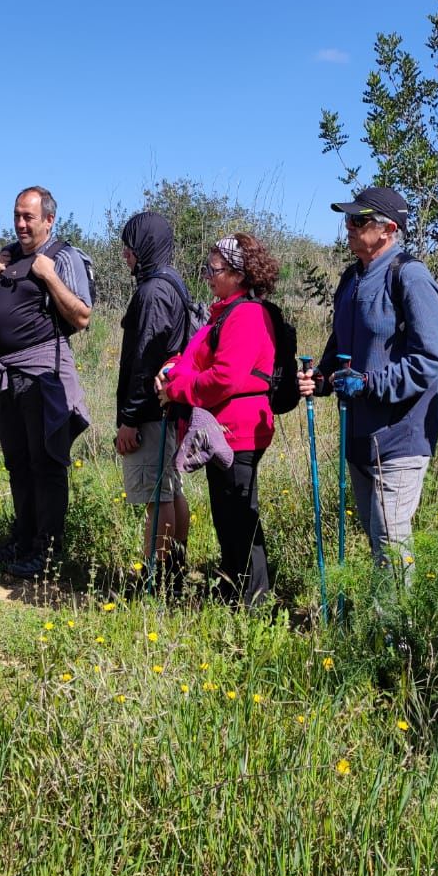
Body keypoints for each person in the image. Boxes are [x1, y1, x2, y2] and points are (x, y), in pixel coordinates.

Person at [296, 185, 438, 595]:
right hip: (359, 437)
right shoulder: (352, 277)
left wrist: (368, 383)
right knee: (377, 541)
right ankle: (378, 636)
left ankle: (400, 645)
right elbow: (341, 344)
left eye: (358, 220)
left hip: (400, 436)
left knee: (391, 545)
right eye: (348, 219)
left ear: (388, 229)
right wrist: (323, 378)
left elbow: (431, 360)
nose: (348, 227)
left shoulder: (410, 277)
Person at [156, 233, 280, 607]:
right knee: (228, 518)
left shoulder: (246, 315)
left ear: (239, 275)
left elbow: (225, 377)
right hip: (222, 432)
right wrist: (172, 369)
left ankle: (254, 605)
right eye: (208, 268)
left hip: (237, 432)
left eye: (215, 269)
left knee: (239, 521)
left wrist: (176, 389)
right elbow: (198, 361)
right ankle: (235, 593)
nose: (208, 275)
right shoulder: (224, 313)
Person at [0, 186, 94, 580]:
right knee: (18, 463)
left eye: (29, 217)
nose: (21, 224)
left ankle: (46, 550)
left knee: (46, 463)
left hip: (43, 373)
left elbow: (82, 317)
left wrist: (48, 277)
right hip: (8, 375)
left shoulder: (62, 257)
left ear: (49, 219)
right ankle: (23, 537)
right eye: (17, 216)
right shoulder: (6, 256)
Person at [114, 212, 199, 590]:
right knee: (170, 489)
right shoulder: (173, 282)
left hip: (150, 412)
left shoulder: (152, 292)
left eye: (130, 247)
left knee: (156, 494)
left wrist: (129, 419)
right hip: (169, 406)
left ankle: (156, 578)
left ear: (144, 246)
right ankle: (175, 568)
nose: (126, 255)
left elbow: (144, 360)